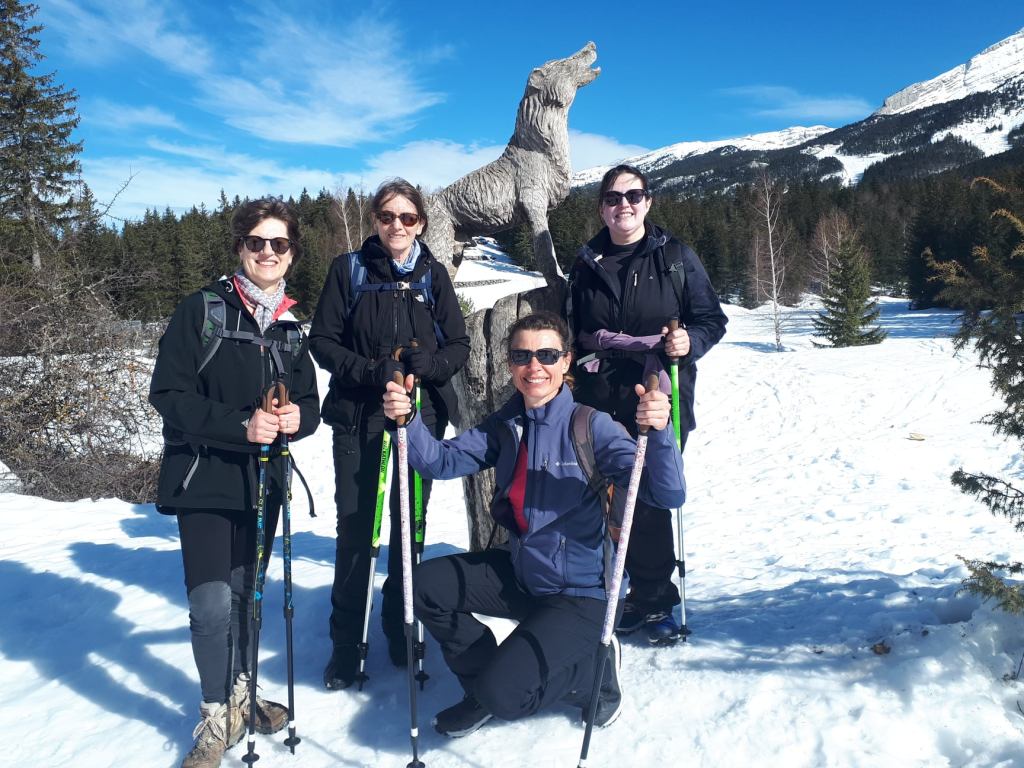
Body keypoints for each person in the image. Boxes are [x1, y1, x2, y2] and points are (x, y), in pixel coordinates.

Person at [381, 311, 685, 737]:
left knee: (508, 696)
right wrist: (408, 419)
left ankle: (590, 677)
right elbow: (439, 462)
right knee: (424, 584)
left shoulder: (590, 426)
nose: (534, 366)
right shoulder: (507, 425)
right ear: (509, 364)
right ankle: (484, 684)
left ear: (566, 362)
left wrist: (661, 431)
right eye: (522, 355)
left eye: (546, 354)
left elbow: (665, 494)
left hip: (582, 597)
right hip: (524, 578)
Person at [149, 198, 321, 768]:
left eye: (278, 244)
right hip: (205, 477)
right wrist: (238, 425)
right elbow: (168, 397)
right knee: (212, 602)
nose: (267, 252)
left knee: (250, 593)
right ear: (239, 247)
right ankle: (214, 712)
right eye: (256, 242)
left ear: (292, 253)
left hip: (263, 481)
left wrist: (301, 419)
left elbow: (310, 402)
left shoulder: (292, 327)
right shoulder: (201, 310)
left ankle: (243, 691)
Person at [309, 178, 470, 690]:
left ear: (420, 223)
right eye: (386, 216)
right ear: (375, 220)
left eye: (407, 217)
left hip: (419, 418)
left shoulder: (433, 273)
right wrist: (369, 370)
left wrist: (434, 362)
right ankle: (345, 643)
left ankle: (402, 628)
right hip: (360, 419)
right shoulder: (349, 270)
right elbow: (323, 342)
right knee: (357, 531)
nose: (396, 226)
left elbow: (459, 343)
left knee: (410, 526)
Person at [567, 164, 727, 646]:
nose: (624, 206)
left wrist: (688, 343)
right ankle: (598, 591)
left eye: (633, 196)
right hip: (597, 392)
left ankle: (654, 595)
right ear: (601, 207)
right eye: (614, 198)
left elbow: (710, 319)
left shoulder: (674, 256)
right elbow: (574, 324)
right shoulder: (587, 259)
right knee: (599, 494)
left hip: (657, 389)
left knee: (651, 496)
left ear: (648, 202)